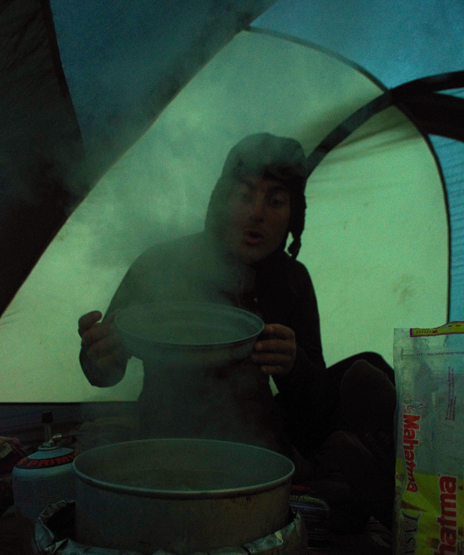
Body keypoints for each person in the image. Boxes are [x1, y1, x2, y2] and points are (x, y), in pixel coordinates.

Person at [79, 133, 396, 531]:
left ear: (293, 215)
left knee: (368, 371)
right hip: (169, 441)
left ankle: (374, 487)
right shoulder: (162, 263)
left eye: (275, 201)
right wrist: (98, 353)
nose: (257, 213)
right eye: (244, 196)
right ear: (221, 200)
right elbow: (104, 370)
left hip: (262, 445)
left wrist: (294, 366)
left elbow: (313, 409)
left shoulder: (292, 279)